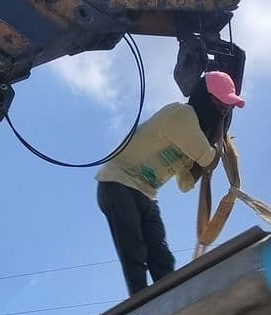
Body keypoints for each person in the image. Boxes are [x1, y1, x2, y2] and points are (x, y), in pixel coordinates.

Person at [95, 70, 244, 296]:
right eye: (220, 105)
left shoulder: (194, 135)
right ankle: (140, 304)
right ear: (205, 98)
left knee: (161, 257)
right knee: (134, 252)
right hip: (118, 181)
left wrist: (204, 161)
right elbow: (209, 160)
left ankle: (170, 300)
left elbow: (184, 183)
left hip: (145, 192)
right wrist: (217, 131)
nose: (223, 112)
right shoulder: (181, 115)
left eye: (227, 107)